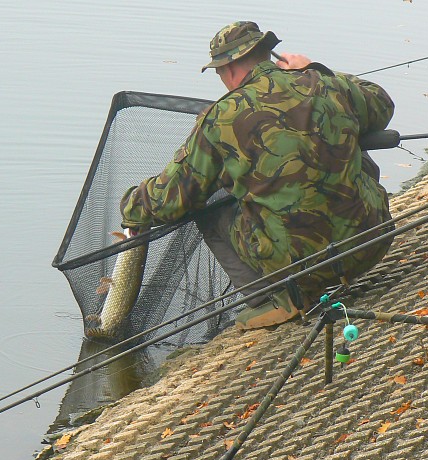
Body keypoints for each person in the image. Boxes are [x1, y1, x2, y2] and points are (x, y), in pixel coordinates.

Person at [120, 21, 395, 330]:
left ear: (230, 68)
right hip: (369, 243)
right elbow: (381, 103)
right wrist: (313, 68)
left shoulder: (221, 117)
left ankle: (273, 299)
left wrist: (130, 204)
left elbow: (170, 199)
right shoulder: (325, 84)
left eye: (219, 73)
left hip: (299, 267)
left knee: (209, 207)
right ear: (266, 54)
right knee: (349, 144)